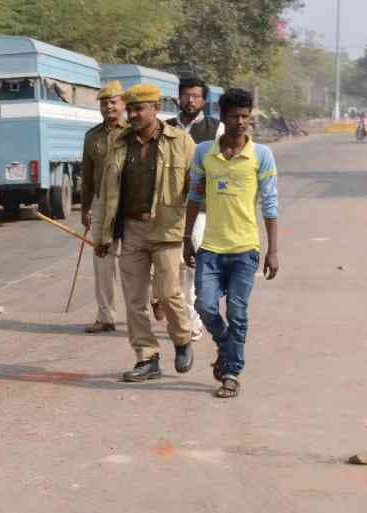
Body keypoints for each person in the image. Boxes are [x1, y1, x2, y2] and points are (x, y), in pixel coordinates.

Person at [96, 83, 196, 383]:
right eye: (132, 109)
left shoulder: (181, 141)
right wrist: (102, 236)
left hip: (167, 228)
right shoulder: (119, 144)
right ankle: (147, 357)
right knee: (134, 300)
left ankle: (181, 338)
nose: (135, 114)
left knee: (168, 294)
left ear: (156, 108)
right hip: (131, 230)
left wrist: (192, 231)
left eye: (141, 108)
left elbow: (196, 188)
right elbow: (106, 192)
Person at [184, 88, 279, 399]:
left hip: (245, 250)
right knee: (204, 306)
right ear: (222, 118)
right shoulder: (203, 153)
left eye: (245, 117)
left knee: (238, 312)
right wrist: (187, 237)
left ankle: (231, 373)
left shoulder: (261, 155)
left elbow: (270, 204)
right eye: (235, 117)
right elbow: (195, 196)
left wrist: (272, 250)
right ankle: (226, 344)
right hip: (211, 247)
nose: (241, 122)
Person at [167, 76, 222, 341]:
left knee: (192, 263)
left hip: (201, 209)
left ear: (204, 101)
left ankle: (194, 320)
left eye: (196, 96)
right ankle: (182, 315)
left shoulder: (216, 129)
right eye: (186, 95)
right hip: (169, 208)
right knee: (174, 266)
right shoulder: (166, 128)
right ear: (178, 97)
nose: (191, 100)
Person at [78, 80, 125, 334]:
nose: (108, 106)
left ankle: (146, 305)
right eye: (104, 102)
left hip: (128, 205)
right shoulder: (92, 137)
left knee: (134, 260)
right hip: (100, 204)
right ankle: (106, 316)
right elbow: (87, 177)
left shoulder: (132, 132)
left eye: (113, 101)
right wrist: (86, 208)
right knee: (102, 260)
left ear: (123, 104)